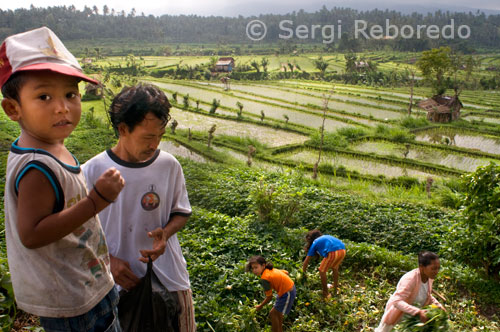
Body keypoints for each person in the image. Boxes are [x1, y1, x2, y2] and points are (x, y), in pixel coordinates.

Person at [1, 27, 125, 331]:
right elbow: (32, 234)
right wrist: (98, 200)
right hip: (72, 303)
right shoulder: (36, 168)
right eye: (44, 96)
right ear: (13, 109)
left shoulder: (51, 145)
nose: (62, 107)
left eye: (71, 94)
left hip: (83, 284)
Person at [82, 83, 196, 331]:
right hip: (115, 284)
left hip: (168, 277)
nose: (155, 144)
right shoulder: (92, 171)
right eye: (147, 137)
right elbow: (76, 233)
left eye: (160, 136)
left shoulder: (169, 165)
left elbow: (180, 211)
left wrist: (165, 234)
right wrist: (108, 260)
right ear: (123, 129)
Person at [375, 251, 446, 332]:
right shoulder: (410, 279)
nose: (436, 271)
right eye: (433, 268)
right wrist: (417, 311)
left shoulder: (429, 278)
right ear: (421, 267)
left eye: (438, 268)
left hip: (412, 321)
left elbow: (427, 295)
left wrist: (438, 305)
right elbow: (396, 301)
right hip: (397, 318)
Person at [246, 256, 296, 332]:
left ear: (263, 266)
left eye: (256, 267)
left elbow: (269, 297)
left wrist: (260, 306)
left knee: (273, 314)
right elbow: (286, 272)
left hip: (287, 292)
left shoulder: (264, 278)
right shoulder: (269, 270)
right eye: (252, 268)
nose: (254, 270)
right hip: (285, 290)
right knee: (277, 314)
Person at [302, 229, 346, 299]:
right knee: (335, 268)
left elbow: (306, 262)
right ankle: (335, 289)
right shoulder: (326, 237)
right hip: (343, 250)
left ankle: (325, 293)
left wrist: (303, 274)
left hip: (333, 252)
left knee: (322, 271)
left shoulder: (315, 242)